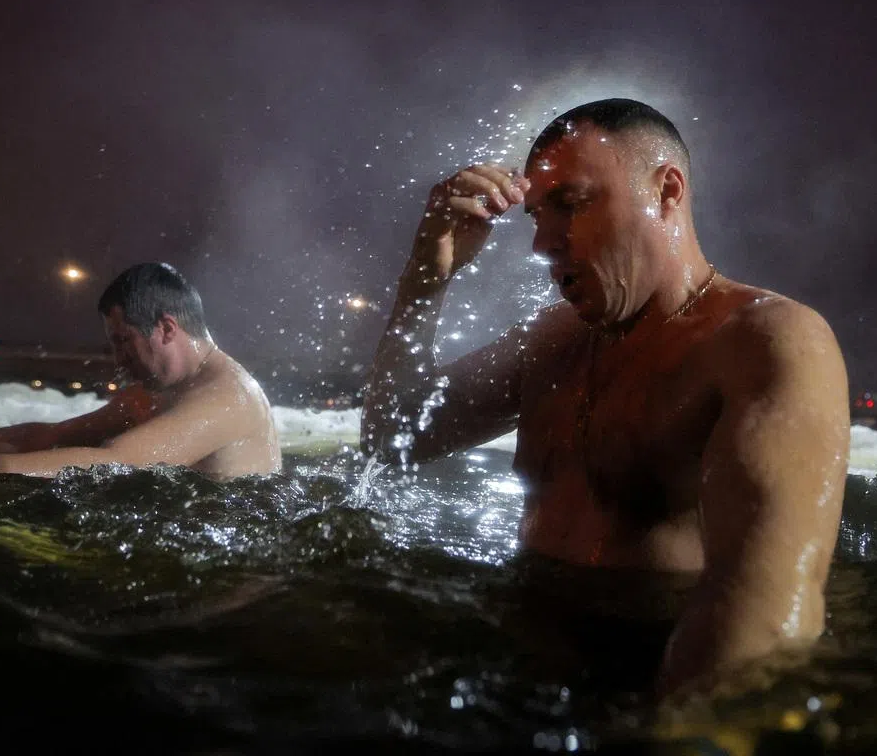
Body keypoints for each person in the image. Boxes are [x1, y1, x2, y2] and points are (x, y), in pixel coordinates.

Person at [361, 99, 850, 696]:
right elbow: (391, 438)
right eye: (537, 216)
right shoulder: (550, 342)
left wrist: (679, 734)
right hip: (519, 658)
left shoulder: (764, 340)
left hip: (647, 672)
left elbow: (765, 612)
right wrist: (425, 275)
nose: (542, 244)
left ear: (667, 190)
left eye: (570, 204)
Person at [0, 262, 281, 480]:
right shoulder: (159, 390)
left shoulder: (228, 397)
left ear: (166, 328)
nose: (118, 359)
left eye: (123, 341)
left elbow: (121, 462)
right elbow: (55, 436)